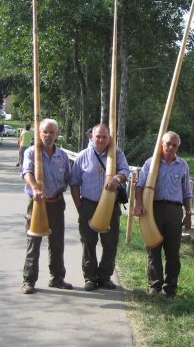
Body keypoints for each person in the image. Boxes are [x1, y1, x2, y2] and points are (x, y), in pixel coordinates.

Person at [70, 123, 130, 291]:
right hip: (89, 204)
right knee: (88, 242)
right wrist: (80, 207)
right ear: (92, 137)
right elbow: (74, 183)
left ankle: (105, 277)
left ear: (109, 138)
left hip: (111, 205)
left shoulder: (117, 154)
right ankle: (90, 278)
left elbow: (125, 171)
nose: (101, 140)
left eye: (104, 137)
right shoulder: (83, 156)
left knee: (110, 243)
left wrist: (117, 178)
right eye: (98, 136)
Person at [133, 131, 192, 298]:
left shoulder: (183, 165)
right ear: (162, 145)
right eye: (168, 144)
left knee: (173, 252)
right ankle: (154, 285)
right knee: (153, 249)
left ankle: (170, 289)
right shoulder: (151, 163)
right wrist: (139, 204)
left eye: (175, 145)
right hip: (153, 209)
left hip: (174, 211)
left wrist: (188, 213)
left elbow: (187, 192)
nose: (171, 147)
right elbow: (140, 185)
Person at [21, 118, 72, 294]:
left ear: (57, 134)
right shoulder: (31, 152)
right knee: (33, 243)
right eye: (45, 132)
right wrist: (36, 188)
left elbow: (69, 178)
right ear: (39, 133)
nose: (48, 135)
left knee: (57, 244)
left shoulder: (62, 156)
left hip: (56, 203)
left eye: (52, 132)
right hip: (36, 204)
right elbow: (26, 172)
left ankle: (57, 278)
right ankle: (28, 281)